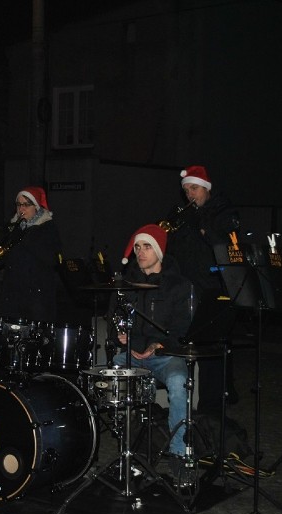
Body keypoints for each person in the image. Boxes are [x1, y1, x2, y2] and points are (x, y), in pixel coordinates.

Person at [108, 224, 194, 477]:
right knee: (111, 371)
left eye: (147, 246)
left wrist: (158, 345)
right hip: (132, 355)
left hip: (166, 356)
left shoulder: (179, 285)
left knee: (179, 382)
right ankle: (130, 449)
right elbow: (114, 320)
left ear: (158, 249)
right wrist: (121, 337)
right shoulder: (126, 285)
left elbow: (185, 327)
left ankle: (179, 453)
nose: (141, 252)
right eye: (137, 247)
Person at [165, 165, 241, 416]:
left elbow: (223, 243)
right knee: (183, 344)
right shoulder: (186, 215)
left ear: (206, 189)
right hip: (185, 287)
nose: (189, 195)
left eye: (194, 188)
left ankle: (211, 408)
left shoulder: (222, 211)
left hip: (213, 289)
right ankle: (181, 402)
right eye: (186, 190)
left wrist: (200, 221)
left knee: (211, 351)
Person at [0, 186, 62, 323]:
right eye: (19, 204)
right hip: (12, 295)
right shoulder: (12, 227)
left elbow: (53, 259)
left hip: (37, 298)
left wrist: (26, 237)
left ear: (36, 207)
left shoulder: (47, 227)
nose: (21, 209)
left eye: (26, 204)